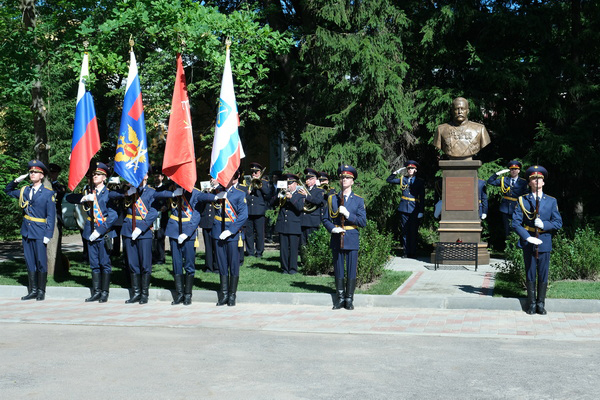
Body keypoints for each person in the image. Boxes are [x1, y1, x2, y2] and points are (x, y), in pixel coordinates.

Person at [154, 184, 219, 305]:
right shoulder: (172, 190)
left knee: (189, 263)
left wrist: (216, 197)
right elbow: (155, 194)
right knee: (176, 263)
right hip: (174, 231)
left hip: (188, 232)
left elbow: (197, 214)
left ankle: (188, 294)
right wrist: (173, 194)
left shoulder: (195, 193)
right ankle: (179, 294)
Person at [512, 166, 562, 315]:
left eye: (539, 178)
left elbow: (558, 223)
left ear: (543, 182)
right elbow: (515, 223)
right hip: (529, 241)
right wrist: (527, 237)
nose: (537, 180)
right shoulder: (522, 200)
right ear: (529, 183)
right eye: (533, 178)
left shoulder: (551, 201)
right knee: (530, 272)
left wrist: (544, 225)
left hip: (544, 240)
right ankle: (531, 303)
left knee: (543, 273)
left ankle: (541, 303)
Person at [65, 162, 118, 302]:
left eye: (98, 174)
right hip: (90, 231)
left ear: (104, 177)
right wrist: (83, 198)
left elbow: (113, 216)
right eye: (94, 174)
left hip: (103, 232)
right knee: (94, 263)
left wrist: (99, 230)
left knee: (104, 263)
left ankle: (105, 292)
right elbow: (69, 197)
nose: (95, 176)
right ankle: (96, 292)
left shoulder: (109, 194)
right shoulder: (88, 192)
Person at [4, 160, 56, 301]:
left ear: (42, 175)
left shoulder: (47, 193)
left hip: (40, 232)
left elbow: (51, 216)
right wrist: (15, 181)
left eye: (35, 172)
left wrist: (48, 234)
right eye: (31, 172)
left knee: (40, 261)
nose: (32, 174)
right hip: (26, 231)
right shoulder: (24, 190)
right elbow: (7, 191)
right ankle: (32, 290)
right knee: (29, 261)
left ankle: (41, 291)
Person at [322, 165, 367, 310]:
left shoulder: (358, 200)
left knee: (351, 269)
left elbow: (362, 222)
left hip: (352, 237)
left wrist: (348, 214)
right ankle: (340, 298)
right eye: (342, 178)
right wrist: (333, 229)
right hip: (337, 237)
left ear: (352, 181)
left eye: (348, 178)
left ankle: (349, 299)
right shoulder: (332, 199)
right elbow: (325, 219)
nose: (344, 180)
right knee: (339, 268)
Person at [114, 173, 159, 304]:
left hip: (143, 231)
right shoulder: (128, 190)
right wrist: (125, 194)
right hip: (128, 229)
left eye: (142, 173)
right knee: (132, 263)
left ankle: (144, 294)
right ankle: (136, 293)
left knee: (145, 263)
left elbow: (153, 212)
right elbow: (111, 195)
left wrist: (141, 227)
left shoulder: (151, 192)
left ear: (146, 176)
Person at [211, 173, 248, 306]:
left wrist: (230, 230)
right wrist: (215, 195)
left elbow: (243, 215)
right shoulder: (216, 192)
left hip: (231, 235)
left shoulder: (239, 194)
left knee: (233, 265)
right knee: (221, 264)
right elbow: (201, 196)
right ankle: (224, 293)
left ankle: (232, 295)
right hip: (217, 232)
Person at [386, 160, 425, 258]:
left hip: (414, 209)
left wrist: (421, 211)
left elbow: (422, 197)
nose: (410, 170)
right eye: (408, 168)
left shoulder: (419, 181)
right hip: (403, 208)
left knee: (413, 231)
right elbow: (389, 180)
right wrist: (396, 172)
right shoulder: (403, 179)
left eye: (412, 168)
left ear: (415, 170)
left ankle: (413, 252)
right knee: (405, 231)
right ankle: (406, 252)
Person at [487, 160, 528, 239]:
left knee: (517, 228)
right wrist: (498, 173)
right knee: (507, 229)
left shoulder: (523, 182)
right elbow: (490, 181)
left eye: (515, 169)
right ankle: (508, 248)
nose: (513, 171)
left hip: (517, 207)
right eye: (511, 169)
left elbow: (526, 195)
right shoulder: (504, 180)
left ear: (519, 170)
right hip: (505, 209)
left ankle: (516, 248)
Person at [274, 173, 306, 274]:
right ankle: (284, 268)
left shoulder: (300, 194)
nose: (288, 185)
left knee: (293, 248)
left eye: (290, 183)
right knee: (283, 248)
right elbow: (271, 203)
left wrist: (291, 198)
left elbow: (300, 208)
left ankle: (292, 268)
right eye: (287, 183)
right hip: (283, 224)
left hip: (294, 225)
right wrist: (277, 196)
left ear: (296, 184)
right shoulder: (281, 193)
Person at [245, 162, 271, 258]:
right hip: (249, 210)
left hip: (259, 211)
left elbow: (267, 193)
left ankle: (259, 252)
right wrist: (248, 191)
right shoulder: (247, 182)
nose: (254, 174)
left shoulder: (264, 182)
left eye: (256, 172)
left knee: (260, 233)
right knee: (249, 233)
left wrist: (259, 185)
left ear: (260, 172)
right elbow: (244, 195)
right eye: (252, 172)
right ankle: (250, 252)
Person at [300, 168, 325, 245]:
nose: (307, 180)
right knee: (302, 244)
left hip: (312, 221)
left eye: (310, 179)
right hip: (302, 220)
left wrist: (306, 196)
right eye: (307, 178)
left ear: (315, 180)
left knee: (312, 244)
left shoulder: (319, 190)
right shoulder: (302, 189)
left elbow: (318, 201)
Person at [152, 171, 169, 265]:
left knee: (160, 237)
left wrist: (166, 207)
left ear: (162, 177)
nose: (156, 179)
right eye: (154, 177)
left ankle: (161, 257)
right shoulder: (151, 189)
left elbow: (169, 201)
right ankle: (153, 256)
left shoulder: (165, 188)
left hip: (162, 216)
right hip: (152, 216)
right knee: (152, 237)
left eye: (157, 176)